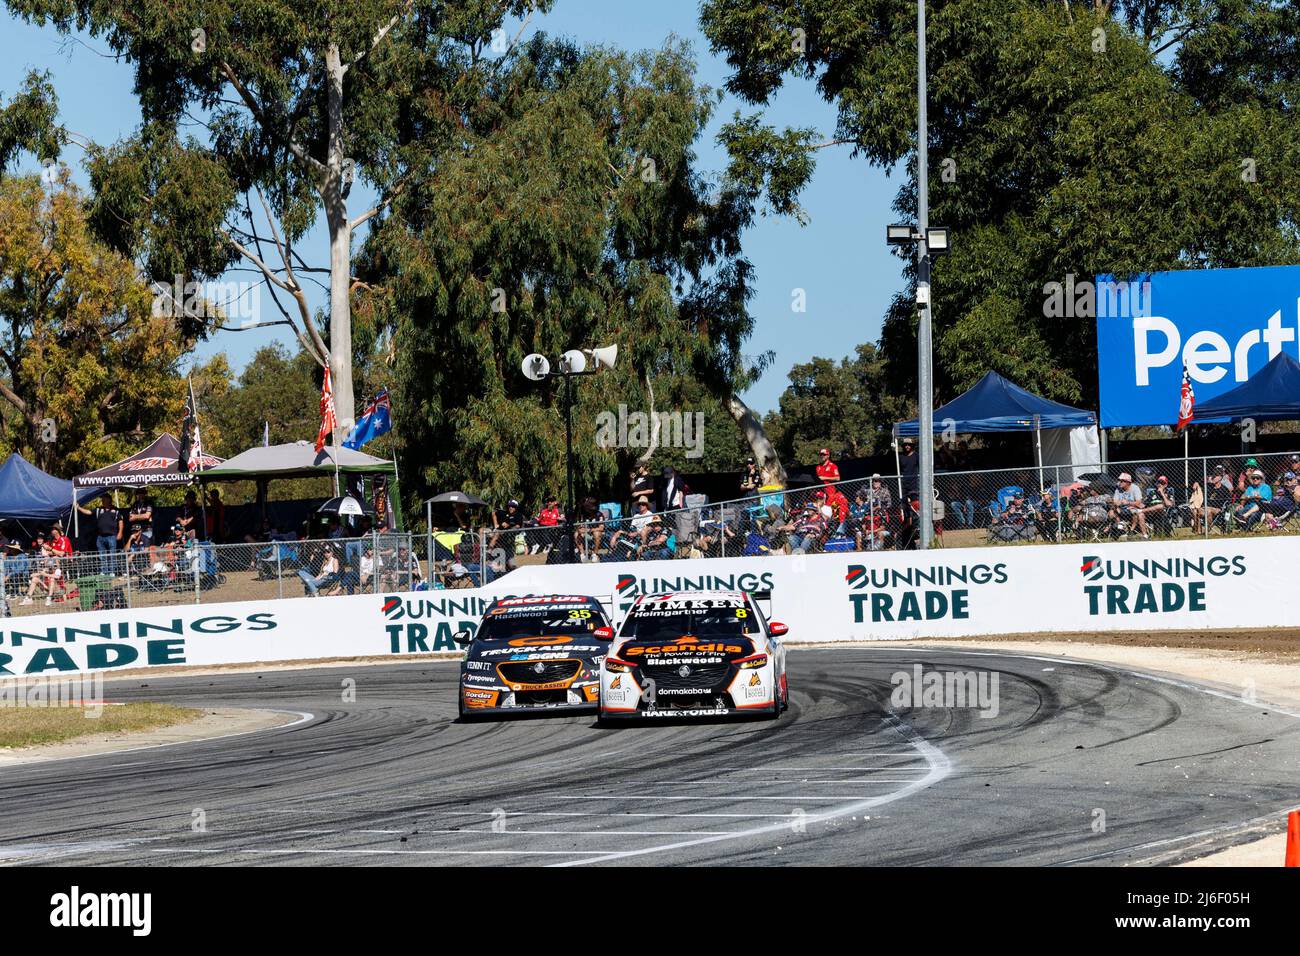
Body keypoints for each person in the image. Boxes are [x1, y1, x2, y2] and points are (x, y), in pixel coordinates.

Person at [77, 492, 124, 572]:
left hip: (112, 536)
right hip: (100, 536)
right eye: (102, 499)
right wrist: (78, 508)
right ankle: (104, 571)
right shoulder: (99, 509)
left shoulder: (116, 510)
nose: (102, 500)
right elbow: (88, 512)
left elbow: (121, 522)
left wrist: (120, 533)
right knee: (102, 555)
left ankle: (112, 572)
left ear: (109, 500)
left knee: (112, 555)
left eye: (104, 499)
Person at [1110, 472, 1147, 538]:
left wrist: (1128, 502)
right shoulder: (1118, 489)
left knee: (1135, 512)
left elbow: (1139, 502)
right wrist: (1116, 505)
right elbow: (1115, 501)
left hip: (1132, 508)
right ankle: (1120, 530)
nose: (1120, 482)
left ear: (1128, 482)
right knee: (1111, 512)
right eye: (1119, 481)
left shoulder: (1135, 488)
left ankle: (1132, 530)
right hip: (1121, 509)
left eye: (1122, 481)